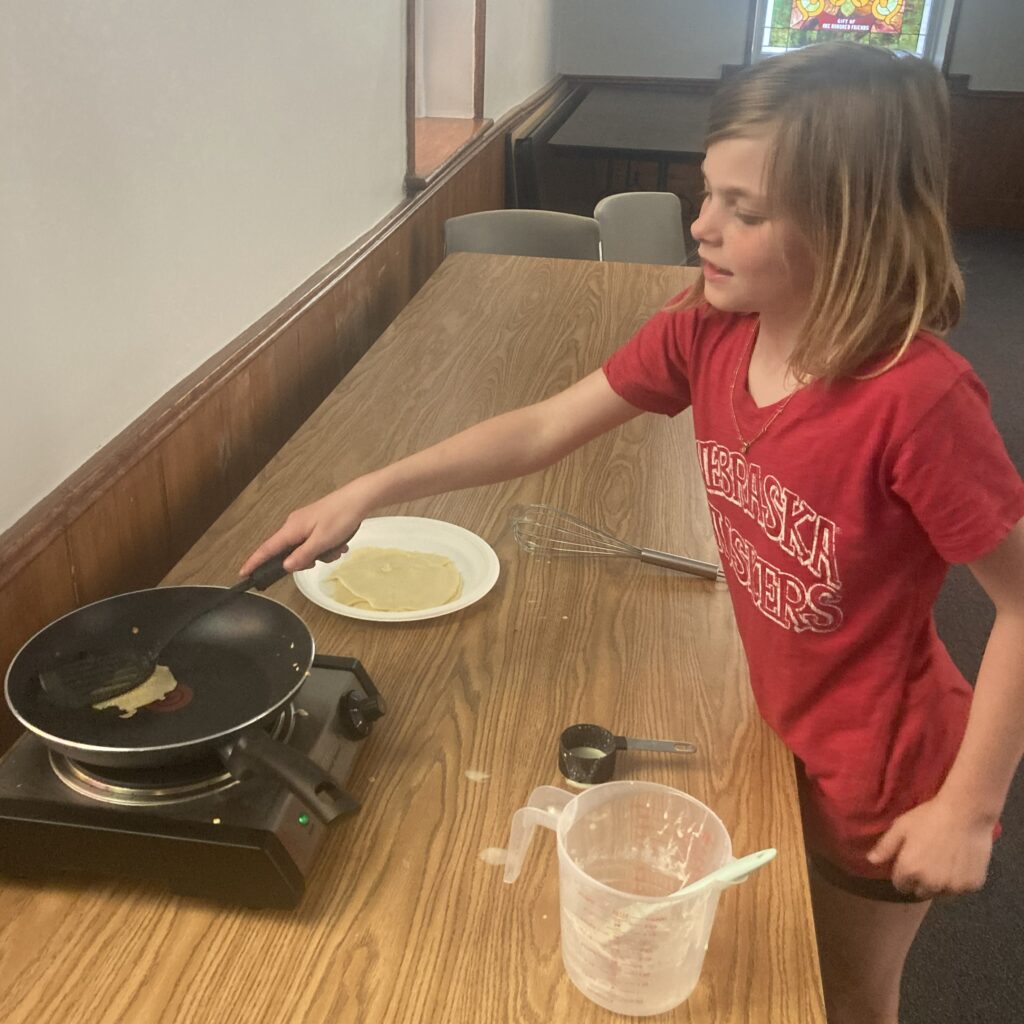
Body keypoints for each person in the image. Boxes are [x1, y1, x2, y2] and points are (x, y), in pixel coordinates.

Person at [241, 43, 1024, 1024]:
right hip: (779, 718)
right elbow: (540, 426)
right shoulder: (709, 329)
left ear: (852, 222)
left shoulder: (917, 403)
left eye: (744, 208)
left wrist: (967, 809)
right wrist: (373, 485)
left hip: (885, 771)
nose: (702, 225)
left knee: (839, 992)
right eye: (707, 194)